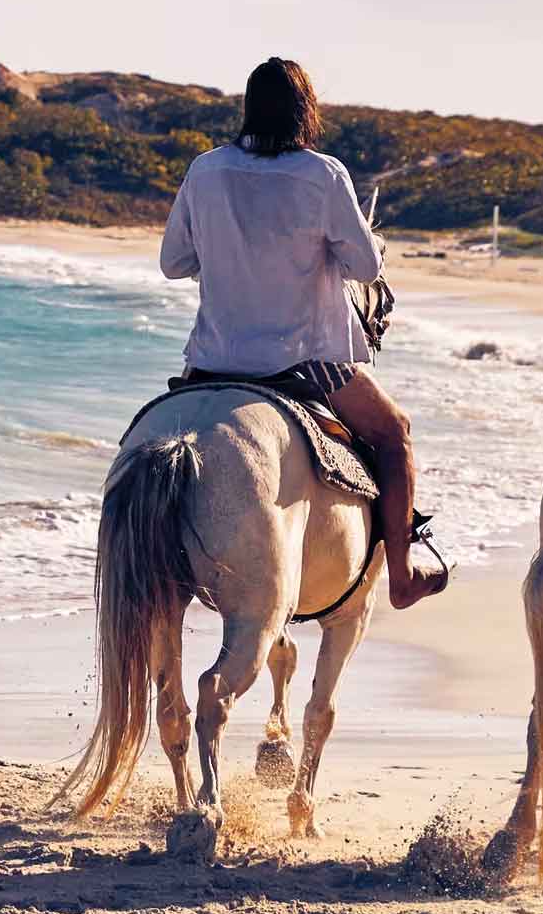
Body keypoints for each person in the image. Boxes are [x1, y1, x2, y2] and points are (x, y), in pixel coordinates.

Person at [159, 57, 446, 607]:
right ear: (304, 112)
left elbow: (174, 263)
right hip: (303, 362)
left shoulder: (205, 170)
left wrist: (226, 257)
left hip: (212, 363)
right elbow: (364, 269)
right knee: (394, 433)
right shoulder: (324, 174)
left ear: (248, 108)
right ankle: (404, 576)